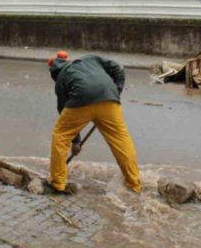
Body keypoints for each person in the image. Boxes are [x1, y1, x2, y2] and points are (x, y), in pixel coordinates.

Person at [47, 51, 141, 194]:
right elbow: (119, 68)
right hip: (109, 100)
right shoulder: (90, 58)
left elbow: (64, 112)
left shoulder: (61, 79)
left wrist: (75, 142)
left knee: (60, 135)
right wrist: (116, 90)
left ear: (53, 71)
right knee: (121, 139)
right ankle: (134, 184)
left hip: (81, 101)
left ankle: (58, 183)